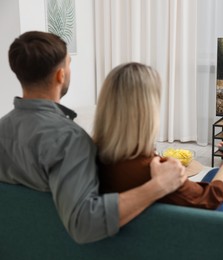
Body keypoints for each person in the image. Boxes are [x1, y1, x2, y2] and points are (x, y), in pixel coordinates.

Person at [0, 31, 186, 244]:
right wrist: (159, 185)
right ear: (61, 75)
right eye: (69, 63)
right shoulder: (70, 140)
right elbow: (84, 224)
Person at [93, 62, 223, 214]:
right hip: (190, 227)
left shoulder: (93, 155)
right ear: (147, 111)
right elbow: (213, 200)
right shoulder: (155, 171)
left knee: (220, 181)